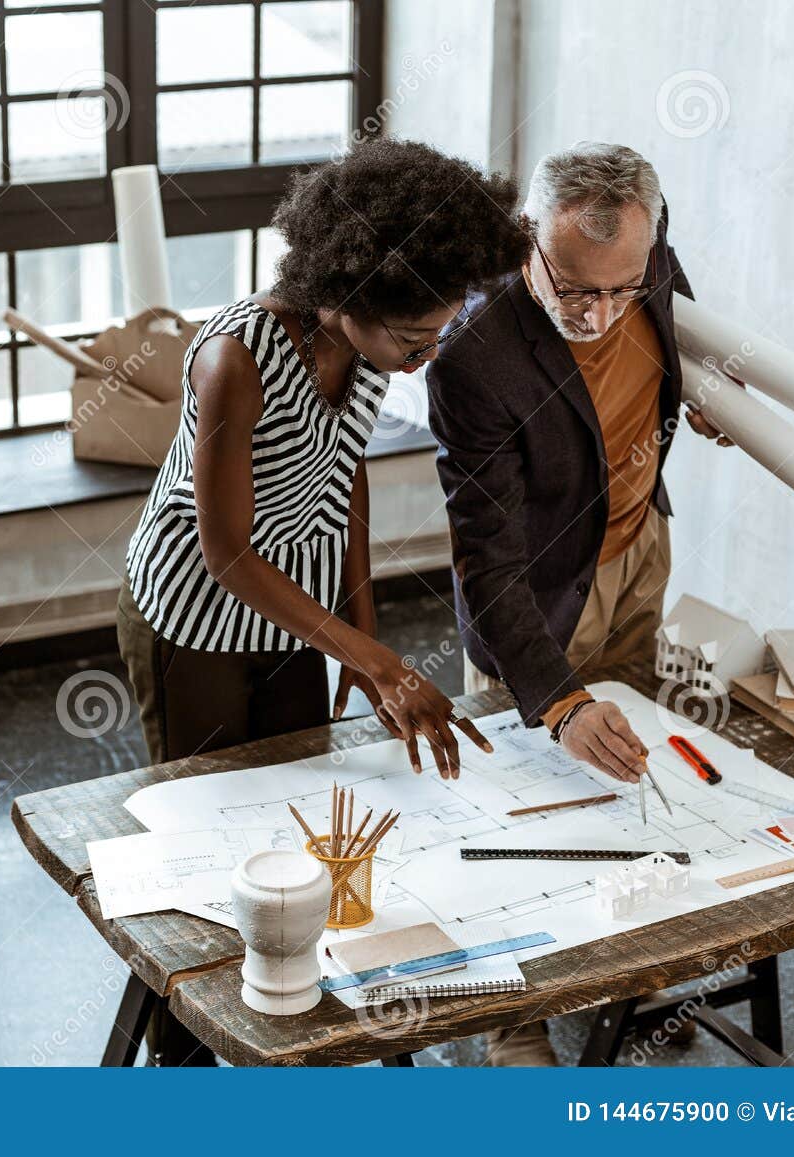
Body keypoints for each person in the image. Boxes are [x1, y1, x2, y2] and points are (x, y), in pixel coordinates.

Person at [116, 138, 528, 1063]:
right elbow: (225, 550)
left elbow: (346, 480)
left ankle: (291, 1031)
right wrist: (375, 658)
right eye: (415, 339)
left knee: (291, 826)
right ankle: (186, 1052)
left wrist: (361, 643)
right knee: (206, 845)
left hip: (296, 612)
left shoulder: (369, 347)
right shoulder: (235, 356)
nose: (423, 360)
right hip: (195, 616)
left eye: (437, 337)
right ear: (346, 295)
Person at [427, 142, 733, 1065]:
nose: (599, 313)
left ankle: (625, 967)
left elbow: (670, 327)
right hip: (535, 586)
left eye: (621, 288)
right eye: (574, 289)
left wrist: (703, 391)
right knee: (511, 808)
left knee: (623, 776)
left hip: (639, 546)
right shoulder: (472, 355)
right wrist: (557, 699)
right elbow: (486, 562)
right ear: (531, 240)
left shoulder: (649, 253)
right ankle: (510, 1018)